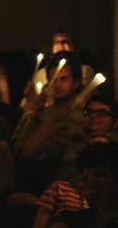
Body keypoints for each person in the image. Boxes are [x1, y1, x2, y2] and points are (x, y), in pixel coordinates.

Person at [14, 52, 85, 195]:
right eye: (53, 79)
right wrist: (35, 118)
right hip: (45, 187)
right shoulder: (37, 114)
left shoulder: (86, 116)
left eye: (63, 79)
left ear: (76, 83)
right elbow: (19, 156)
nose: (57, 84)